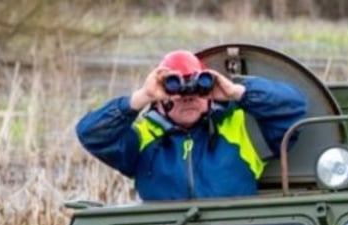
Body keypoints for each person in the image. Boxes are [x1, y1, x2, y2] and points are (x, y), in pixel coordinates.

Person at [76, 50, 308, 201]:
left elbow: (294, 107)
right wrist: (142, 96)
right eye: (176, 91)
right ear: (161, 99)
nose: (188, 97)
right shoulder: (143, 138)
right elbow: (90, 133)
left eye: (198, 90)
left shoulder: (241, 128)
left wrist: (236, 92)